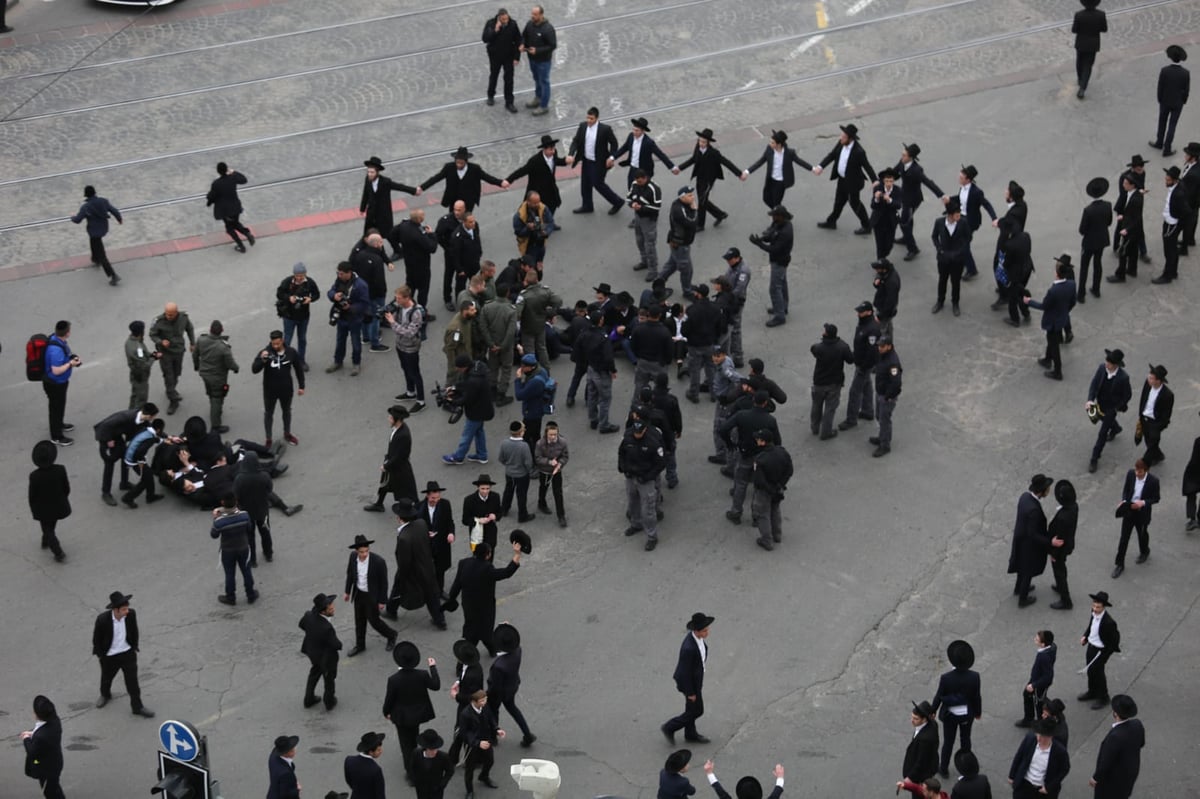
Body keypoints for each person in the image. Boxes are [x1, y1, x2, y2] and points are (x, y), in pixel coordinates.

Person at [444, 541, 522, 657]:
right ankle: (465, 660)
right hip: (484, 608)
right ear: (487, 555)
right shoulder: (487, 569)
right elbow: (506, 573)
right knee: (480, 633)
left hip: (469, 605)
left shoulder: (464, 563)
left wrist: (451, 600)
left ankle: (490, 648)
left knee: (473, 629)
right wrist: (517, 554)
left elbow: (457, 585)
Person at [382, 640, 440, 779]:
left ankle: (411, 773)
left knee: (405, 744)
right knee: (414, 737)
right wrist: (433, 667)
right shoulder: (422, 675)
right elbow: (436, 685)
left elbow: (389, 700)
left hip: (401, 717)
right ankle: (417, 759)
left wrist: (386, 713)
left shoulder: (394, 679)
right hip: (418, 715)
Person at [385, 499, 447, 628]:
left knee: (398, 587)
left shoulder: (404, 537)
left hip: (414, 570)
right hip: (427, 565)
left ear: (399, 517)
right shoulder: (421, 524)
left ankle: (391, 610)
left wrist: (404, 575)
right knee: (432, 593)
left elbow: (404, 562)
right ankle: (440, 620)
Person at [91, 591, 154, 717]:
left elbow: (134, 631)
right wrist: (101, 655)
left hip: (127, 654)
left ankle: (137, 707)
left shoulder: (131, 615)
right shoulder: (103, 620)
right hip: (110, 656)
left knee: (133, 683)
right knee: (107, 678)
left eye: (127, 608)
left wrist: (134, 646)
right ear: (116, 610)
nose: (127, 611)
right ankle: (105, 694)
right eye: (124, 609)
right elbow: (96, 639)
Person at [676, 128, 747, 230]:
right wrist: (680, 168)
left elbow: (726, 162)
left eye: (704, 142)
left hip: (708, 180)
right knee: (703, 200)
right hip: (700, 178)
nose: (701, 143)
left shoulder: (714, 153)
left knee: (702, 201)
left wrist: (739, 174)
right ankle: (720, 214)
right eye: (700, 141)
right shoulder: (698, 148)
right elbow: (693, 159)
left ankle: (700, 225)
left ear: (708, 142)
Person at [930, 640, 981, 777]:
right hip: (967, 714)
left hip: (950, 716)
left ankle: (944, 768)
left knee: (948, 742)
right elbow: (976, 697)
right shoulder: (974, 677)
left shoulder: (946, 678)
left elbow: (939, 696)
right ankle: (966, 766)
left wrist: (933, 710)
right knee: (965, 739)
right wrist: (977, 712)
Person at [661, 613, 714, 744]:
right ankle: (669, 727)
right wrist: (690, 693)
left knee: (691, 709)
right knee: (697, 710)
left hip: (695, 680)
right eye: (705, 630)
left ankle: (690, 733)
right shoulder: (689, 648)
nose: (708, 632)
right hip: (689, 684)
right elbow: (684, 673)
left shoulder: (698, 639)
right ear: (696, 631)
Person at [343, 534, 398, 657]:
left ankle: (391, 635)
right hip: (359, 594)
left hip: (371, 596)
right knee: (359, 620)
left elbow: (384, 583)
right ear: (356, 551)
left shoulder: (378, 562)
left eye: (366, 551)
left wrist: (382, 601)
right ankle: (360, 645)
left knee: (374, 621)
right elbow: (350, 575)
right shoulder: (353, 557)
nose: (364, 554)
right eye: (361, 552)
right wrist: (347, 592)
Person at [815, 123, 876, 233]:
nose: (840, 138)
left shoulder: (859, 152)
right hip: (842, 180)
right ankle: (831, 221)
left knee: (855, 204)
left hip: (853, 183)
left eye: (843, 137)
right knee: (839, 201)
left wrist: (875, 180)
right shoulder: (841, 143)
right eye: (841, 135)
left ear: (850, 139)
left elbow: (867, 166)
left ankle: (867, 226)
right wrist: (821, 166)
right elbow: (832, 155)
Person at [1025, 255, 1077, 380]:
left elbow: (1044, 306)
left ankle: (1057, 371)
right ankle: (1047, 359)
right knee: (1052, 340)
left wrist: (1029, 301)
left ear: (1057, 273)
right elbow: (1073, 302)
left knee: (1054, 345)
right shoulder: (1071, 284)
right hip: (1061, 319)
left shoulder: (1054, 291)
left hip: (1053, 321)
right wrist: (1064, 311)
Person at [93, 403, 155, 506]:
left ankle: (124, 483)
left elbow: (151, 429)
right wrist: (108, 440)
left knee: (125, 457)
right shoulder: (125, 417)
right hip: (107, 438)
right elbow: (104, 425)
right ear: (149, 415)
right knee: (109, 464)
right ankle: (106, 492)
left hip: (117, 437)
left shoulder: (143, 419)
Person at [565, 106, 623, 214]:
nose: (589, 120)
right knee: (585, 184)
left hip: (599, 162)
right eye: (587, 118)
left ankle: (617, 202)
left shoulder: (605, 129)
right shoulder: (582, 126)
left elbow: (614, 143)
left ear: (597, 118)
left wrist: (611, 157)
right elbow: (576, 141)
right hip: (586, 161)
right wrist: (571, 154)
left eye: (591, 118)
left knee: (598, 184)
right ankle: (587, 206)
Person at [253, 330, 305, 448]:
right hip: (269, 391)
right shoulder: (265, 353)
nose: (275, 346)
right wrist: (262, 360)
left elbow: (298, 369)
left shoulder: (291, 352)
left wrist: (302, 386)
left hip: (286, 390)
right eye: (273, 344)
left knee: (286, 412)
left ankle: (287, 433)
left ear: (282, 341)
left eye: (277, 344)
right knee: (268, 414)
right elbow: (254, 369)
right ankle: (268, 439)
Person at [619, 420, 666, 550]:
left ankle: (652, 536)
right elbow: (621, 453)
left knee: (648, 510)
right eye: (635, 432)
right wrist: (622, 468)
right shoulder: (628, 437)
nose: (637, 435)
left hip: (645, 480)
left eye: (639, 433)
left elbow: (660, 463)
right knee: (633, 503)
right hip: (631, 477)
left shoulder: (652, 442)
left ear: (645, 430)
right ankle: (636, 524)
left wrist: (648, 477)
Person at [893, 142, 944, 261]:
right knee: (908, 220)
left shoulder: (916, 170)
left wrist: (941, 195)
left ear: (910, 157)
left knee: (904, 222)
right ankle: (906, 238)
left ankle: (913, 249)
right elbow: (894, 173)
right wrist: (883, 179)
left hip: (913, 200)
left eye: (904, 155)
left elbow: (928, 182)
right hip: (905, 197)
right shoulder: (902, 162)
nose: (902, 157)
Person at [488, 622, 536, 747]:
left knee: (493, 711)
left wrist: (488, 695)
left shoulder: (499, 666)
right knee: (513, 709)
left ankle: (493, 736)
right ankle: (527, 734)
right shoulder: (517, 650)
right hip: (512, 686)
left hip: (500, 692)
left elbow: (496, 687)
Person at [1086, 348, 1133, 472]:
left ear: (1116, 365)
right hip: (1100, 403)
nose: (1106, 364)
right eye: (1106, 361)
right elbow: (1094, 383)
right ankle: (1116, 428)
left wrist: (1117, 408)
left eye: (1109, 363)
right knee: (1095, 416)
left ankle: (1094, 458)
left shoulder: (1123, 378)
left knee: (1102, 433)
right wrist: (1090, 400)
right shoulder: (1102, 368)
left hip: (1111, 408)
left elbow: (1127, 395)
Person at [1009, 473, 1053, 607]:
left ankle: (1018, 588)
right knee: (1027, 571)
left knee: (1021, 567)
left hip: (1020, 540)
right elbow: (1032, 533)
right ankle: (1023, 598)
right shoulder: (1034, 510)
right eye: (1047, 488)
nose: (1049, 490)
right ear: (1041, 492)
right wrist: (1049, 542)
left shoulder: (1024, 497)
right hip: (1029, 546)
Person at [744, 129, 816, 208]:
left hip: (780, 183)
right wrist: (747, 172)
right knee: (766, 199)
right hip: (770, 180)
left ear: (779, 144)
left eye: (772, 142)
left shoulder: (789, 153)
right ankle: (779, 212)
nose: (770, 144)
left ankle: (777, 215)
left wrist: (813, 169)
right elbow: (760, 161)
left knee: (776, 202)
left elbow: (800, 162)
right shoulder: (769, 150)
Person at [420, 147, 507, 212]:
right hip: (453, 199)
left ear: (466, 161)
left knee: (466, 218)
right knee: (453, 218)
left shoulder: (475, 169)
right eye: (457, 162)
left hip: (468, 200)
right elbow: (436, 178)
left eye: (461, 163)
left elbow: (487, 178)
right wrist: (422, 187)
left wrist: (500, 183)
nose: (458, 165)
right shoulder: (449, 167)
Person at [1090, 695, 1144, 799]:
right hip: (1130, 774)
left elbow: (1105, 762)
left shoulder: (1115, 736)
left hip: (1113, 781)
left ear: (1115, 713)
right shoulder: (1137, 724)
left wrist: (1095, 778)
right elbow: (1141, 743)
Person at [1112, 458, 1159, 577]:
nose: (1137, 474)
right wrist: (1123, 502)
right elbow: (1126, 490)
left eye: (1140, 472)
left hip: (1142, 513)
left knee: (1142, 534)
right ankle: (1119, 564)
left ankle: (1144, 551)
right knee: (1124, 538)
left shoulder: (1153, 481)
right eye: (1136, 471)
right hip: (1129, 511)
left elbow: (1156, 498)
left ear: (1146, 471)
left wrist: (1142, 503)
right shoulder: (1131, 474)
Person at [443, 356, 493, 465]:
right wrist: (454, 388)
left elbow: (466, 399)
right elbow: (466, 384)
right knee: (479, 432)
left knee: (467, 435)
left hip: (476, 411)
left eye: (458, 367)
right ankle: (482, 455)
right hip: (483, 408)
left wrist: (451, 400)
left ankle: (458, 457)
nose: (457, 369)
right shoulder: (477, 370)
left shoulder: (473, 381)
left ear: (464, 367)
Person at [365, 405, 416, 513]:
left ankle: (413, 509)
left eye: (391, 417)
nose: (389, 419)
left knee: (405, 489)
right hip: (392, 462)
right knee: (385, 483)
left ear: (397, 420)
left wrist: (386, 466)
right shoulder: (398, 429)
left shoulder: (403, 435)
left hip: (399, 467)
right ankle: (379, 504)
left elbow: (400, 456)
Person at [148, 303, 196, 416]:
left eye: (171, 315)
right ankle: (173, 401)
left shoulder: (183, 318)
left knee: (176, 373)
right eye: (167, 314)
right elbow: (152, 334)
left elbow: (190, 328)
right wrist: (160, 342)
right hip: (165, 354)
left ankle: (171, 390)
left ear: (176, 313)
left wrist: (192, 343)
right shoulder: (158, 321)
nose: (168, 316)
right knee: (169, 376)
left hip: (179, 351)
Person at [751, 205, 796, 328]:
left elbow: (774, 249)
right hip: (780, 260)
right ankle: (783, 307)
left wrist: (759, 244)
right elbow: (771, 234)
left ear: (781, 216)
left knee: (774, 288)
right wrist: (762, 238)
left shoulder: (785, 232)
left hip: (780, 261)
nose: (772, 218)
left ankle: (779, 316)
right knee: (782, 284)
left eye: (774, 215)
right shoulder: (779, 224)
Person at [384, 285, 427, 412]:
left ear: (407, 298)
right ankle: (410, 392)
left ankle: (421, 401)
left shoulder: (417, 312)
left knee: (415, 372)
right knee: (405, 369)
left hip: (411, 347)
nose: (396, 301)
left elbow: (409, 333)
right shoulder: (399, 307)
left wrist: (392, 322)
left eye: (398, 298)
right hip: (400, 345)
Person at [192, 320, 239, 434]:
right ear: (221, 331)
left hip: (204, 374)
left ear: (210, 330)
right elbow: (230, 363)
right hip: (217, 377)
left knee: (210, 392)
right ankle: (215, 426)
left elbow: (195, 354)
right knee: (217, 398)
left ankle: (214, 410)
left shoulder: (201, 340)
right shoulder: (223, 347)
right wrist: (236, 368)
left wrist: (197, 366)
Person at [210, 493, 258, 605]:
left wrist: (216, 518)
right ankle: (250, 594)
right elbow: (249, 528)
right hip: (243, 548)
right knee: (246, 571)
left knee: (230, 574)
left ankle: (230, 597)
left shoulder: (219, 522)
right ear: (236, 501)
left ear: (222, 503)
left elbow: (214, 535)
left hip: (227, 550)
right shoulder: (244, 515)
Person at [70, 185, 123, 285]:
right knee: (94, 243)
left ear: (86, 195)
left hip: (94, 232)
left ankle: (113, 275)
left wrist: (72, 217)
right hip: (103, 228)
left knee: (102, 254)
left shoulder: (86, 207)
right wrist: (119, 219)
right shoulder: (103, 201)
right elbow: (114, 211)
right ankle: (95, 258)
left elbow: (78, 220)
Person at [327, 261, 371, 375]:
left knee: (356, 342)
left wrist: (350, 307)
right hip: (341, 317)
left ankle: (356, 364)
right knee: (340, 341)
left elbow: (364, 303)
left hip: (354, 319)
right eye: (338, 273)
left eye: (341, 273)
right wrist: (334, 295)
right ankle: (338, 361)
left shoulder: (361, 285)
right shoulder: (339, 281)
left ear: (349, 273)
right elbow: (331, 291)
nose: (339, 275)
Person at [840, 301, 880, 430]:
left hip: (864, 365)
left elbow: (872, 351)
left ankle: (851, 419)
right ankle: (868, 411)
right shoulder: (864, 323)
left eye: (861, 312)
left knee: (855, 392)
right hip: (861, 362)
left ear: (869, 312)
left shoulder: (872, 329)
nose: (859, 314)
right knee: (867, 386)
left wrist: (864, 366)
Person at [28, 440, 69, 563]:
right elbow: (66, 488)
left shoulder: (34, 476)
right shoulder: (60, 469)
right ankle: (46, 540)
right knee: (51, 525)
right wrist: (63, 498)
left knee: (47, 528)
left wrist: (33, 508)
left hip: (42, 508)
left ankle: (57, 550)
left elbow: (32, 495)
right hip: (58, 504)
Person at [809, 323, 853, 439]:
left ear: (826, 334)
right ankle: (826, 432)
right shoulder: (842, 347)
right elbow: (850, 359)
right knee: (830, 408)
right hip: (834, 383)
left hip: (819, 382)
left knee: (816, 405)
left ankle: (815, 427)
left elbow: (813, 349)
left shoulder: (819, 348)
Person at [506, 135, 567, 218]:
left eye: (554, 148)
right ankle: (537, 225)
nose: (553, 151)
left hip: (550, 187)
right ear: (544, 149)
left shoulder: (554, 154)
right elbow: (522, 171)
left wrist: (565, 161)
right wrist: (509, 180)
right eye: (550, 149)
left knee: (553, 204)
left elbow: (556, 161)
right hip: (538, 189)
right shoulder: (535, 161)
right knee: (536, 209)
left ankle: (550, 222)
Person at [1008, 719, 1071, 798]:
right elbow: (1019, 756)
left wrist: (1049, 787)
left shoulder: (1059, 751)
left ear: (1050, 736)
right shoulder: (1030, 739)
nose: (1038, 738)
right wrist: (1012, 775)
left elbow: (1065, 769)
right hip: (1024, 785)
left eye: (1042, 736)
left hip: (1041, 791)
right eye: (1038, 734)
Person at [751, 430, 792, 550]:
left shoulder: (760, 459)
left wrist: (770, 489)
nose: (756, 441)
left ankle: (766, 540)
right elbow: (789, 471)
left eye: (758, 439)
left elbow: (759, 480)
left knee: (762, 514)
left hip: (765, 492)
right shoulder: (782, 452)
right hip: (778, 489)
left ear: (762, 442)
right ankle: (777, 535)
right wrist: (780, 485)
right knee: (775, 510)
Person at [275, 263, 321, 371]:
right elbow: (279, 294)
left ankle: (301, 361)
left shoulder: (310, 282)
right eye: (297, 275)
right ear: (294, 274)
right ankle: (284, 360)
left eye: (302, 275)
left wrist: (311, 299)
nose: (299, 277)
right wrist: (289, 298)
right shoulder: (287, 281)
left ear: (305, 273)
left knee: (302, 339)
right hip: (289, 317)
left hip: (303, 317)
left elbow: (317, 294)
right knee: (287, 339)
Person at [930, 198, 972, 316]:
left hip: (957, 259)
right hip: (943, 258)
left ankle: (955, 303)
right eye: (956, 215)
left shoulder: (963, 222)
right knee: (942, 280)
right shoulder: (939, 222)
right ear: (950, 215)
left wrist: (961, 250)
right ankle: (940, 301)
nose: (959, 217)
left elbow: (968, 237)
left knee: (956, 282)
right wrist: (939, 249)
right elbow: (934, 236)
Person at [299, 592, 341, 710]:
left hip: (312, 652)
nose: (333, 607)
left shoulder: (309, 616)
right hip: (326, 657)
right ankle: (329, 702)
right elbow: (336, 644)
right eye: (330, 607)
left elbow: (302, 625)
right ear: (323, 611)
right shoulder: (326, 628)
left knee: (314, 673)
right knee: (329, 679)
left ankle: (309, 699)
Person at [1079, 591, 1120, 709]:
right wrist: (1085, 636)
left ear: (1104, 607)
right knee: (1090, 671)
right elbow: (1091, 626)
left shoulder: (1109, 622)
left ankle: (1104, 697)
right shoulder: (1093, 613)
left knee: (1099, 673)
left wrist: (1104, 656)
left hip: (1100, 651)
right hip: (1091, 646)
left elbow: (1113, 641)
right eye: (1094, 606)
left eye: (1098, 607)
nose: (1095, 609)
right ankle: (1092, 691)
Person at [42, 320, 80, 446]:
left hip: (60, 382)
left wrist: (71, 358)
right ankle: (56, 436)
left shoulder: (57, 339)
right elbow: (56, 370)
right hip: (55, 383)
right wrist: (70, 363)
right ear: (67, 333)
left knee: (60, 405)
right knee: (55, 408)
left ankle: (59, 424)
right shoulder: (55, 350)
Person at [459, 690, 503, 798]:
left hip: (486, 740)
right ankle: (469, 791)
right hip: (473, 745)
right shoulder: (465, 714)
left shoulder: (485, 707)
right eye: (482, 701)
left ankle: (484, 776)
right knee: (470, 768)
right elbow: (465, 733)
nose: (484, 702)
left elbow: (491, 718)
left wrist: (496, 729)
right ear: (474, 701)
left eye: (485, 699)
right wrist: (477, 743)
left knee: (489, 761)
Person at [448, 639, 485, 764]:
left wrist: (456, 695)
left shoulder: (472, 674)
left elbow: (471, 696)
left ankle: (456, 758)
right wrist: (459, 682)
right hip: (469, 706)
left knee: (461, 731)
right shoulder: (473, 667)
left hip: (467, 708)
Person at [516, 270, 562, 370]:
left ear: (526, 281)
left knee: (529, 351)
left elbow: (517, 314)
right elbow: (558, 301)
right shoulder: (545, 291)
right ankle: (546, 370)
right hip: (541, 325)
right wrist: (549, 309)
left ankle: (532, 372)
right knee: (542, 348)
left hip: (527, 328)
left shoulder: (524, 295)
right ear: (537, 279)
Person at [360, 155, 417, 235]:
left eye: (372, 172)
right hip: (371, 214)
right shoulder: (367, 179)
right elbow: (365, 194)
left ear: (377, 172)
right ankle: (378, 247)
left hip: (383, 215)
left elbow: (399, 187)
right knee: (369, 235)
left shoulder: (385, 182)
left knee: (388, 235)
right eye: (368, 172)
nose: (369, 174)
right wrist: (362, 209)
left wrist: (414, 191)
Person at [21, 695, 64, 799]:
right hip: (55, 762)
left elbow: (32, 752)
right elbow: (44, 735)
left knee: (50, 792)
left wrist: (26, 738)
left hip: (46, 769)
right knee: (55, 787)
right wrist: (33, 733)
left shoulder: (41, 737)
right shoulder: (55, 721)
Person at [614, 117, 676, 189]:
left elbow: (660, 155)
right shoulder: (631, 136)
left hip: (644, 171)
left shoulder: (648, 142)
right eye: (633, 130)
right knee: (631, 188)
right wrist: (613, 157)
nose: (634, 132)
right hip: (633, 169)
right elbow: (624, 148)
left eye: (637, 131)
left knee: (642, 191)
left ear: (643, 131)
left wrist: (672, 167)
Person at [1150, 45, 1190, 157]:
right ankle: (1167, 148)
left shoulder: (1165, 71)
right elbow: (1186, 90)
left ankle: (1159, 142)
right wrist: (1183, 101)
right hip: (1178, 103)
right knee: (1172, 125)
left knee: (1162, 122)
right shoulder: (1185, 73)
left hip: (1165, 101)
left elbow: (1160, 87)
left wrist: (1160, 99)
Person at [1078, 177, 1113, 301]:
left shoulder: (1088, 210)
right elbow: (1109, 222)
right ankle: (1096, 289)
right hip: (1102, 240)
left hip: (1089, 242)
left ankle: (1081, 294)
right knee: (1098, 264)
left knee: (1084, 267)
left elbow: (1082, 229)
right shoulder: (1108, 206)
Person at [207, 162, 255, 252]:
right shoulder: (232, 178)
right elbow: (244, 180)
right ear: (226, 169)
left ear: (218, 171)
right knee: (235, 223)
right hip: (235, 207)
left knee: (230, 229)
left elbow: (211, 196)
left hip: (225, 211)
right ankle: (247, 234)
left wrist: (209, 200)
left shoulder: (216, 184)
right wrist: (233, 172)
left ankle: (241, 246)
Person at [661, 186, 700, 294]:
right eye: (689, 195)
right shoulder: (679, 209)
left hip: (678, 242)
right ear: (682, 197)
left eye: (692, 195)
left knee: (672, 264)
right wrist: (695, 210)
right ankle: (687, 291)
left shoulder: (683, 205)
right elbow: (692, 223)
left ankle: (659, 281)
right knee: (686, 270)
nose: (693, 197)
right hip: (680, 243)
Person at [482, 8, 521, 112]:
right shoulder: (491, 23)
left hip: (508, 56)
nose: (506, 21)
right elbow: (485, 38)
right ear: (499, 18)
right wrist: (495, 30)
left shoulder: (512, 24)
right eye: (503, 20)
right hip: (495, 56)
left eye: (507, 19)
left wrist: (517, 57)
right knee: (494, 75)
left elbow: (518, 40)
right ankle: (491, 95)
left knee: (509, 79)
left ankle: (509, 102)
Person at [520, 5, 556, 116]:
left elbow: (552, 46)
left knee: (544, 81)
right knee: (537, 79)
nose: (532, 16)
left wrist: (538, 50)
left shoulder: (548, 29)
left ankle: (544, 106)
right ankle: (538, 97)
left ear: (541, 15)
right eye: (532, 14)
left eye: (535, 14)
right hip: (532, 59)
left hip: (543, 61)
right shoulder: (530, 24)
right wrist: (522, 44)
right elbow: (524, 35)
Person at [1048, 481, 1078, 610]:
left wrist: (1053, 553)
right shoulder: (1074, 507)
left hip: (1060, 549)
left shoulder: (1063, 517)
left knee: (1059, 571)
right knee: (1061, 568)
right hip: (1068, 544)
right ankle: (1060, 588)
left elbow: (1059, 539)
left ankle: (1066, 600)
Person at [1017, 630, 1057, 727]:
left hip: (1039, 682)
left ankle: (1040, 721)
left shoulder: (1043, 657)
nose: (1035, 640)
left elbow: (1048, 676)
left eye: (1037, 640)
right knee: (1029, 695)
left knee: (1039, 701)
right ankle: (1030, 718)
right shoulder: (1052, 647)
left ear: (1043, 644)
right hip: (1037, 679)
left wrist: (1034, 685)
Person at [627, 170, 663, 277]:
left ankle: (653, 270)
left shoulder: (654, 189)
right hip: (638, 217)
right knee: (639, 241)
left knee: (649, 245)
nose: (638, 183)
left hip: (649, 219)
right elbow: (628, 197)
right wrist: (632, 204)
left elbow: (657, 207)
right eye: (637, 181)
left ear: (645, 178)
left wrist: (642, 208)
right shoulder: (634, 184)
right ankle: (644, 261)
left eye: (640, 181)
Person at [1109, 175, 1145, 282]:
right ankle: (1132, 270)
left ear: (1132, 185)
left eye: (1125, 183)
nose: (1123, 185)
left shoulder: (1135, 199)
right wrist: (1123, 216)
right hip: (1134, 229)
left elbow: (1137, 218)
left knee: (1123, 251)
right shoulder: (1133, 194)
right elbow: (1131, 213)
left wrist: (1127, 229)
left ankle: (1120, 275)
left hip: (1131, 230)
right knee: (1133, 251)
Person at [1137, 364, 1173, 465]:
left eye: (1151, 378)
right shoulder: (1147, 384)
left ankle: (1144, 463)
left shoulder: (1167, 395)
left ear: (1158, 381)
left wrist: (1158, 427)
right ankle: (1158, 455)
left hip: (1155, 423)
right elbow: (1143, 398)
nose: (1149, 379)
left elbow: (1166, 415)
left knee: (1152, 443)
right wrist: (1141, 415)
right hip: (1144, 418)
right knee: (1148, 440)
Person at [499, 421, 535, 522]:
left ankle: (504, 509)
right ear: (520, 432)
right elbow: (528, 463)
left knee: (508, 491)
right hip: (522, 475)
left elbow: (501, 458)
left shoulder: (504, 443)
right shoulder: (524, 446)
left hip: (509, 473)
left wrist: (508, 465)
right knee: (521, 495)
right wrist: (528, 470)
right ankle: (522, 515)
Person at [534, 421, 569, 527]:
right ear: (546, 434)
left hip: (556, 471)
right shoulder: (540, 444)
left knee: (558, 493)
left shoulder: (562, 442)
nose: (553, 437)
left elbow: (565, 456)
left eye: (555, 434)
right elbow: (537, 458)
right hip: (544, 471)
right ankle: (541, 503)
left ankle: (561, 516)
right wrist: (549, 462)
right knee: (543, 488)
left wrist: (560, 464)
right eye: (551, 434)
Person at [872, 336, 902, 457]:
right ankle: (882, 437)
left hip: (886, 396)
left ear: (889, 346)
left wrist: (888, 396)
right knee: (879, 416)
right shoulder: (883, 355)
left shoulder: (893, 362)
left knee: (884, 420)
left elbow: (896, 383)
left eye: (882, 346)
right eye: (879, 345)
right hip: (880, 392)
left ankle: (885, 445)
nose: (879, 348)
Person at [513, 353, 549, 449]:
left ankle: (533, 458)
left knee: (527, 437)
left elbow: (519, 395)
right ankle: (538, 454)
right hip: (538, 409)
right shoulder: (541, 371)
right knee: (536, 435)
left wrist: (518, 379)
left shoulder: (535, 382)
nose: (521, 368)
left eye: (524, 367)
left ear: (531, 367)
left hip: (532, 412)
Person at [1072, 0, 1107, 99]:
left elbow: (1074, 30)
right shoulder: (1101, 15)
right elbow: (1104, 29)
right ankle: (1082, 88)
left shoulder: (1079, 15)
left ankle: (1080, 79)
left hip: (1080, 43)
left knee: (1079, 62)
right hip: (1093, 45)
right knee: (1088, 65)